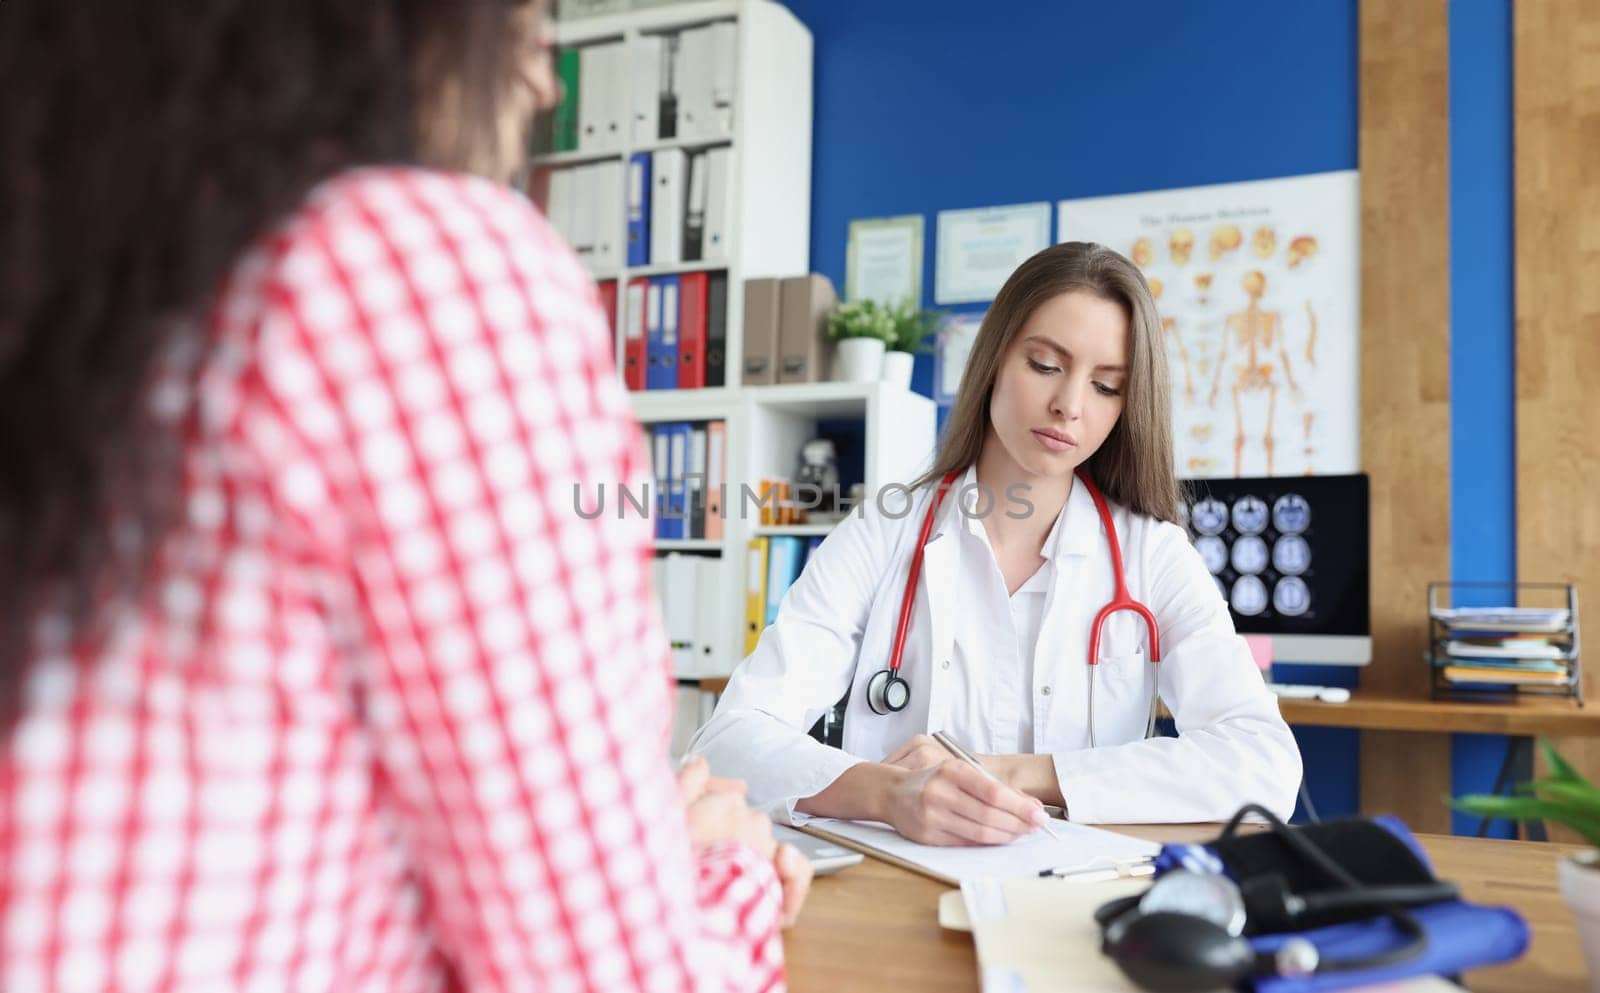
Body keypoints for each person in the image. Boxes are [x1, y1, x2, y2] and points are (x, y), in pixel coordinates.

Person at [0, 2, 805, 991]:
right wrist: (720, 873)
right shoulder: (412, 271)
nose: (545, 84)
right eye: (520, 21)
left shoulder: (76, 289)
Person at [690, 242, 1303, 845]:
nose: (1069, 406)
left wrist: (1009, 773)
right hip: (897, 893)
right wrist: (888, 794)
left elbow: (1265, 763)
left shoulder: (1153, 555)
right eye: (1045, 365)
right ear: (993, 360)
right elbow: (727, 743)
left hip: (1079, 899)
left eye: (1107, 386)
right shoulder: (884, 532)